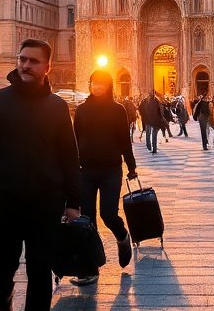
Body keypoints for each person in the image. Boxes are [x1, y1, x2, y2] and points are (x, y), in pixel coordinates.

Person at [0, 39, 82, 311]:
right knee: (2, 269)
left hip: (46, 202)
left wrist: (74, 202)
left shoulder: (57, 106)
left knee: (40, 271)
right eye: (22, 59)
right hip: (5, 201)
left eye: (33, 61)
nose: (25, 65)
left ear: (48, 67)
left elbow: (69, 155)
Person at [69, 69, 137, 285]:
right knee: (87, 219)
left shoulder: (117, 110)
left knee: (108, 214)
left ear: (108, 85)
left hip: (110, 170)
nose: (96, 87)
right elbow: (74, 140)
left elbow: (124, 140)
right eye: (93, 83)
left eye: (100, 83)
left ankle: (122, 236)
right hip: (85, 170)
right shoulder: (81, 110)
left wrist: (131, 166)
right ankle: (90, 268)